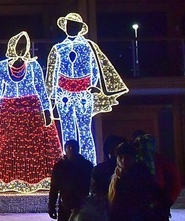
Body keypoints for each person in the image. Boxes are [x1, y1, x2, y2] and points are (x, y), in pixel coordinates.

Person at [0, 31, 63, 192]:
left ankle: (35, 180)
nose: (21, 49)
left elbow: (41, 88)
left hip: (31, 109)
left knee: (34, 147)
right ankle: (7, 179)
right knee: (5, 146)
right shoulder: (1, 66)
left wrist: (47, 109)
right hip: (8, 110)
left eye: (24, 46)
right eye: (19, 45)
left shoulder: (33, 66)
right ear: (12, 47)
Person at [45, 12, 128, 164]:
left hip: (84, 92)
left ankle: (89, 163)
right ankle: (69, 161)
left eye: (74, 25)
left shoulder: (88, 46)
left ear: (79, 28)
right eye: (69, 25)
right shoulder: (58, 49)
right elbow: (51, 73)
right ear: (65, 27)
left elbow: (95, 67)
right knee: (67, 128)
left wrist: (94, 85)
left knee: (84, 128)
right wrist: (50, 96)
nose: (71, 28)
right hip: (64, 93)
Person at [47, 139, 93, 221]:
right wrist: (51, 205)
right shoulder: (60, 166)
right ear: (66, 149)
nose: (72, 150)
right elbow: (54, 187)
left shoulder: (86, 165)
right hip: (65, 204)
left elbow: (92, 186)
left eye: (74, 147)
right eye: (69, 147)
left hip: (81, 205)